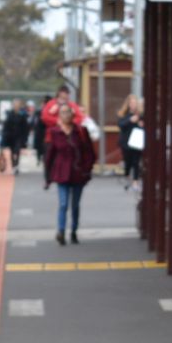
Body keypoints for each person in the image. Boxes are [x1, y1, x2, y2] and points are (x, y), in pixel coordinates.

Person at [43, 101, 97, 246]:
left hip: (78, 173)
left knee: (75, 205)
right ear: (59, 116)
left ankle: (74, 231)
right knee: (63, 203)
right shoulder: (55, 132)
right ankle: (61, 231)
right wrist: (47, 177)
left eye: (68, 112)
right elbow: (50, 156)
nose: (65, 115)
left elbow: (90, 153)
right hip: (62, 173)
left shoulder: (81, 131)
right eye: (62, 112)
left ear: (73, 114)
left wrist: (87, 169)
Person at [116, 94, 145, 190]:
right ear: (128, 104)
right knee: (128, 161)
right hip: (126, 142)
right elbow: (120, 125)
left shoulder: (141, 115)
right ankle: (127, 174)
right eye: (131, 103)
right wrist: (130, 120)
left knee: (136, 161)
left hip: (137, 141)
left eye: (135, 103)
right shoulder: (124, 114)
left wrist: (141, 124)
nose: (133, 105)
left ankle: (135, 181)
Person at [0, 99, 30, 172]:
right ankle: (13, 164)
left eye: (17, 105)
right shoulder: (9, 114)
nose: (16, 106)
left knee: (17, 150)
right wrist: (4, 135)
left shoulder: (22, 115)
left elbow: (25, 127)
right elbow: (6, 126)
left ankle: (16, 163)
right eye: (15, 105)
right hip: (10, 136)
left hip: (19, 136)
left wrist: (25, 137)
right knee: (12, 151)